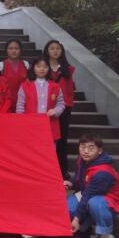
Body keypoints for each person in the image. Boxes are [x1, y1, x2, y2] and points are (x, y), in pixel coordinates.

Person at [66, 134, 118, 238]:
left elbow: (88, 195)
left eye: (91, 147)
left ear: (100, 151)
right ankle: (86, 227)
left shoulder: (103, 172)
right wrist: (70, 183)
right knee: (67, 208)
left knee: (95, 203)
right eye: (83, 146)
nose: (86, 151)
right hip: (89, 193)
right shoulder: (82, 159)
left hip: (109, 200)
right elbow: (79, 178)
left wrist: (76, 219)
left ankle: (107, 235)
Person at [44, 40, 76, 177]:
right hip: (46, 108)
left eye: (58, 48)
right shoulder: (42, 67)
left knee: (62, 139)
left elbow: (69, 90)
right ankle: (46, 169)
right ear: (47, 51)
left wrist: (67, 104)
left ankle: (63, 170)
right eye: (52, 48)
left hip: (64, 108)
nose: (55, 51)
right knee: (46, 139)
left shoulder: (68, 69)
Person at [16, 57, 65, 141]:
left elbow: (61, 103)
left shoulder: (55, 86)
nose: (42, 69)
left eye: (45, 67)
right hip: (30, 124)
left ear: (49, 69)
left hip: (50, 123)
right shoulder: (25, 86)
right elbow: (20, 106)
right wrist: (22, 121)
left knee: (49, 147)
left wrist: (55, 111)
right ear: (33, 68)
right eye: (38, 66)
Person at [0, 39, 29, 112]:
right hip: (5, 103)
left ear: (20, 50)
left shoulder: (26, 64)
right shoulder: (1, 65)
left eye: (16, 48)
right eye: (10, 48)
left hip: (23, 104)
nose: (13, 51)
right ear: (6, 50)